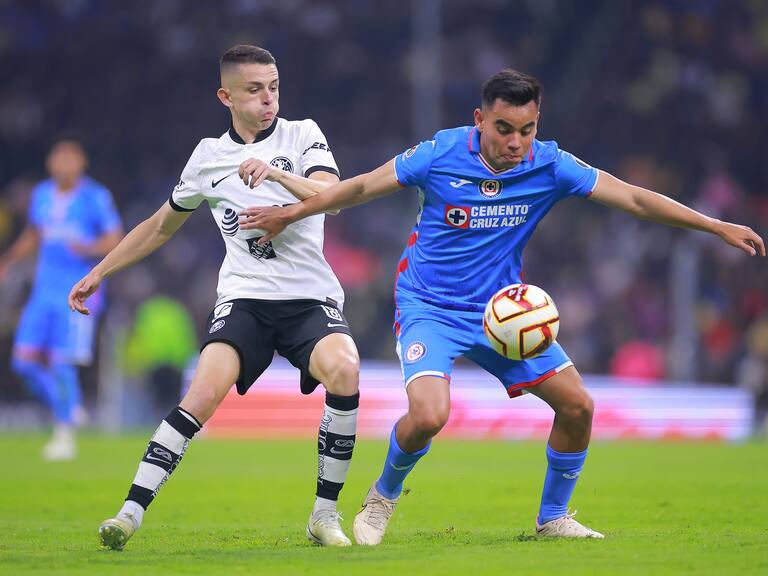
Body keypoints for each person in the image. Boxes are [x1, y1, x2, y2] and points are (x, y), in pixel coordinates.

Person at [240, 69, 766, 544]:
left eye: (527, 130)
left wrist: (713, 225)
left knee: (579, 407)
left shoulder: (551, 164)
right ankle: (383, 496)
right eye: (504, 129)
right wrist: (292, 213)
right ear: (480, 120)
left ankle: (553, 518)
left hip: (501, 315)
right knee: (428, 415)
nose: (516, 143)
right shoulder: (439, 153)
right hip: (430, 306)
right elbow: (357, 189)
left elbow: (631, 197)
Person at [69, 45, 361, 549]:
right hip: (245, 299)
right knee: (200, 396)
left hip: (308, 298)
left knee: (347, 368)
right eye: (254, 90)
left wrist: (273, 174)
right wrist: (101, 269)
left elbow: (328, 198)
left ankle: (323, 515)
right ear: (226, 96)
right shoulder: (208, 157)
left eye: (273, 87)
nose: (268, 99)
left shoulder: (303, 133)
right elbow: (161, 226)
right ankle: (128, 515)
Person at [0, 140, 123, 460]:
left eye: (70, 159)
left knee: (61, 362)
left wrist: (88, 249)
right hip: (43, 294)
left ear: (81, 163)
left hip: (78, 292)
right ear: (50, 163)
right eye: (58, 158)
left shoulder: (95, 197)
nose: (63, 164)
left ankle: (64, 435)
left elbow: (115, 239)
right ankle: (67, 406)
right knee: (23, 362)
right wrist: (9, 260)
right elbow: (35, 234)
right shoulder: (41, 194)